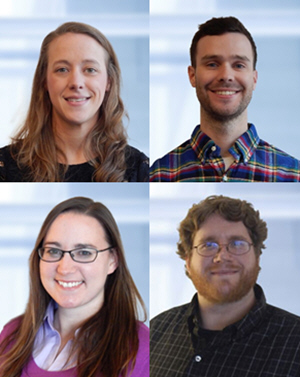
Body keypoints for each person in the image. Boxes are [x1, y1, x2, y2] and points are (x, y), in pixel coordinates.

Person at [150, 195, 300, 376]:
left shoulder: (295, 341)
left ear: (257, 257)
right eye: (208, 245)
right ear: (188, 262)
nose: (222, 256)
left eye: (237, 244)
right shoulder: (155, 331)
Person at [0, 197, 149, 377]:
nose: (65, 268)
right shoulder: (12, 333)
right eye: (54, 251)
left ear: (113, 260)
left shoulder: (142, 347)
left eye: (84, 253)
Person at [149, 16, 300, 182]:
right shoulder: (158, 175)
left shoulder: (293, 175)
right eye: (213, 64)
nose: (226, 76)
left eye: (239, 65)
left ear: (254, 79)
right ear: (192, 76)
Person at [0, 22, 148, 182]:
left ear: (108, 82)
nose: (76, 83)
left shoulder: (139, 170)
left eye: (90, 70)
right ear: (44, 81)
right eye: (62, 69)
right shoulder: (5, 166)